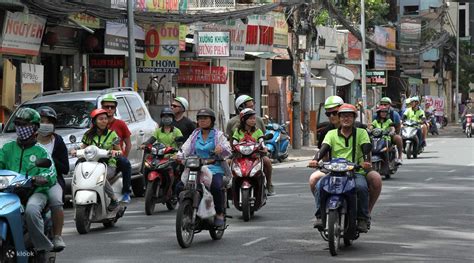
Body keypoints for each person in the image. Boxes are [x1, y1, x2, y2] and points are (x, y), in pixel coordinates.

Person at [0, 108, 57, 258]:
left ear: (35, 128)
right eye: (18, 124)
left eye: (25, 125)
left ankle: (41, 247)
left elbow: (51, 172)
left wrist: (39, 178)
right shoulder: (7, 148)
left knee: (32, 210)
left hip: (35, 191)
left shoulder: (41, 151)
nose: (21, 128)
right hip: (8, 192)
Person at [310, 104, 377, 232]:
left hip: (355, 171)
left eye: (349, 116)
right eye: (343, 116)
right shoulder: (331, 133)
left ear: (354, 118)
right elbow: (324, 148)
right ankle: (320, 216)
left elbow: (366, 148)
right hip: (334, 172)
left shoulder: (361, 133)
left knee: (362, 188)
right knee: (319, 186)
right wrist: (315, 160)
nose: (346, 119)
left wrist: (367, 161)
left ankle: (362, 218)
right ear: (339, 118)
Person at [179, 108, 232, 227]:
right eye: (200, 118)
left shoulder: (218, 135)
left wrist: (221, 149)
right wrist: (178, 156)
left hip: (214, 168)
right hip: (196, 168)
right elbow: (185, 148)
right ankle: (187, 210)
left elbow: (228, 149)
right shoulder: (194, 135)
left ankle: (219, 214)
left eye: (205, 118)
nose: (202, 121)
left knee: (216, 187)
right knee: (180, 187)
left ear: (211, 121)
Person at [226, 95, 274, 195]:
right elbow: (230, 139)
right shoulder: (231, 122)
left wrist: (264, 148)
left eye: (253, 106)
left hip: (256, 153)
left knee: (267, 162)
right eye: (249, 106)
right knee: (227, 163)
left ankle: (269, 185)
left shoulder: (258, 120)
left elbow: (262, 137)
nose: (253, 120)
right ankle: (228, 186)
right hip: (238, 153)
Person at [74, 109, 122, 212]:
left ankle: (114, 200)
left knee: (101, 178)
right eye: (101, 119)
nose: (104, 121)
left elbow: (119, 150)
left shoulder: (113, 134)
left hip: (108, 165)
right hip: (91, 165)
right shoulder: (88, 134)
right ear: (95, 121)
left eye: (105, 119)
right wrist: (75, 151)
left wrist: (114, 152)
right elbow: (83, 147)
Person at [36, 106, 68, 252]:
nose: (45, 125)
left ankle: (57, 236)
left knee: (56, 202)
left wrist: (50, 160)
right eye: (42, 121)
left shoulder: (58, 141)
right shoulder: (28, 141)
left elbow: (65, 168)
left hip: (53, 180)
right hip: (30, 180)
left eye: (49, 122)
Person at [101, 94, 132, 203]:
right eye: (106, 106)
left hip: (115, 157)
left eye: (112, 107)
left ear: (115, 109)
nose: (109, 109)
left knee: (126, 163)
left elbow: (128, 144)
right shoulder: (95, 124)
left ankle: (126, 192)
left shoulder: (121, 124)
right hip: (100, 157)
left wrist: (124, 156)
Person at [378, 97, 403, 164]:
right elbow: (372, 125)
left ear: (389, 105)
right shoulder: (376, 114)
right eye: (382, 104)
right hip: (378, 136)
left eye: (385, 105)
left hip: (389, 135)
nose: (383, 106)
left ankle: (400, 157)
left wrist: (393, 133)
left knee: (398, 138)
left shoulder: (394, 114)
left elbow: (397, 126)